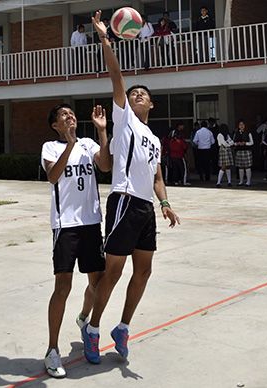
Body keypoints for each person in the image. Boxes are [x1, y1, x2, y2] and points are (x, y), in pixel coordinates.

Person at [81, 10, 180, 365]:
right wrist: (106, 38)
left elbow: (156, 176)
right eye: (133, 93)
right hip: (122, 201)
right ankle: (92, 330)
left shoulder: (153, 137)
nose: (136, 95)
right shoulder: (124, 121)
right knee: (114, 271)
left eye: (142, 94)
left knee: (144, 271)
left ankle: (122, 328)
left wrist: (165, 202)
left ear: (151, 103)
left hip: (145, 208)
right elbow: (117, 78)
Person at [40, 103, 111, 378]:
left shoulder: (88, 143)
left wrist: (102, 132)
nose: (69, 117)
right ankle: (52, 349)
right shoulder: (50, 147)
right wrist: (68, 145)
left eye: (71, 114)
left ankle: (84, 319)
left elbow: (104, 165)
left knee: (98, 281)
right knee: (63, 286)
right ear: (55, 125)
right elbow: (52, 176)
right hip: (65, 225)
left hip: (91, 222)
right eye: (63, 115)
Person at [233, 119, 254, 186]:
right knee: (240, 167)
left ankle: (248, 182)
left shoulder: (248, 133)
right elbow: (233, 142)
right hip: (239, 151)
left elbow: (252, 142)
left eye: (242, 124)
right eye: (240, 125)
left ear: (245, 125)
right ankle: (241, 181)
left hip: (246, 151)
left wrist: (245, 143)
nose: (241, 126)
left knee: (247, 166)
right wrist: (237, 143)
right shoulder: (236, 133)